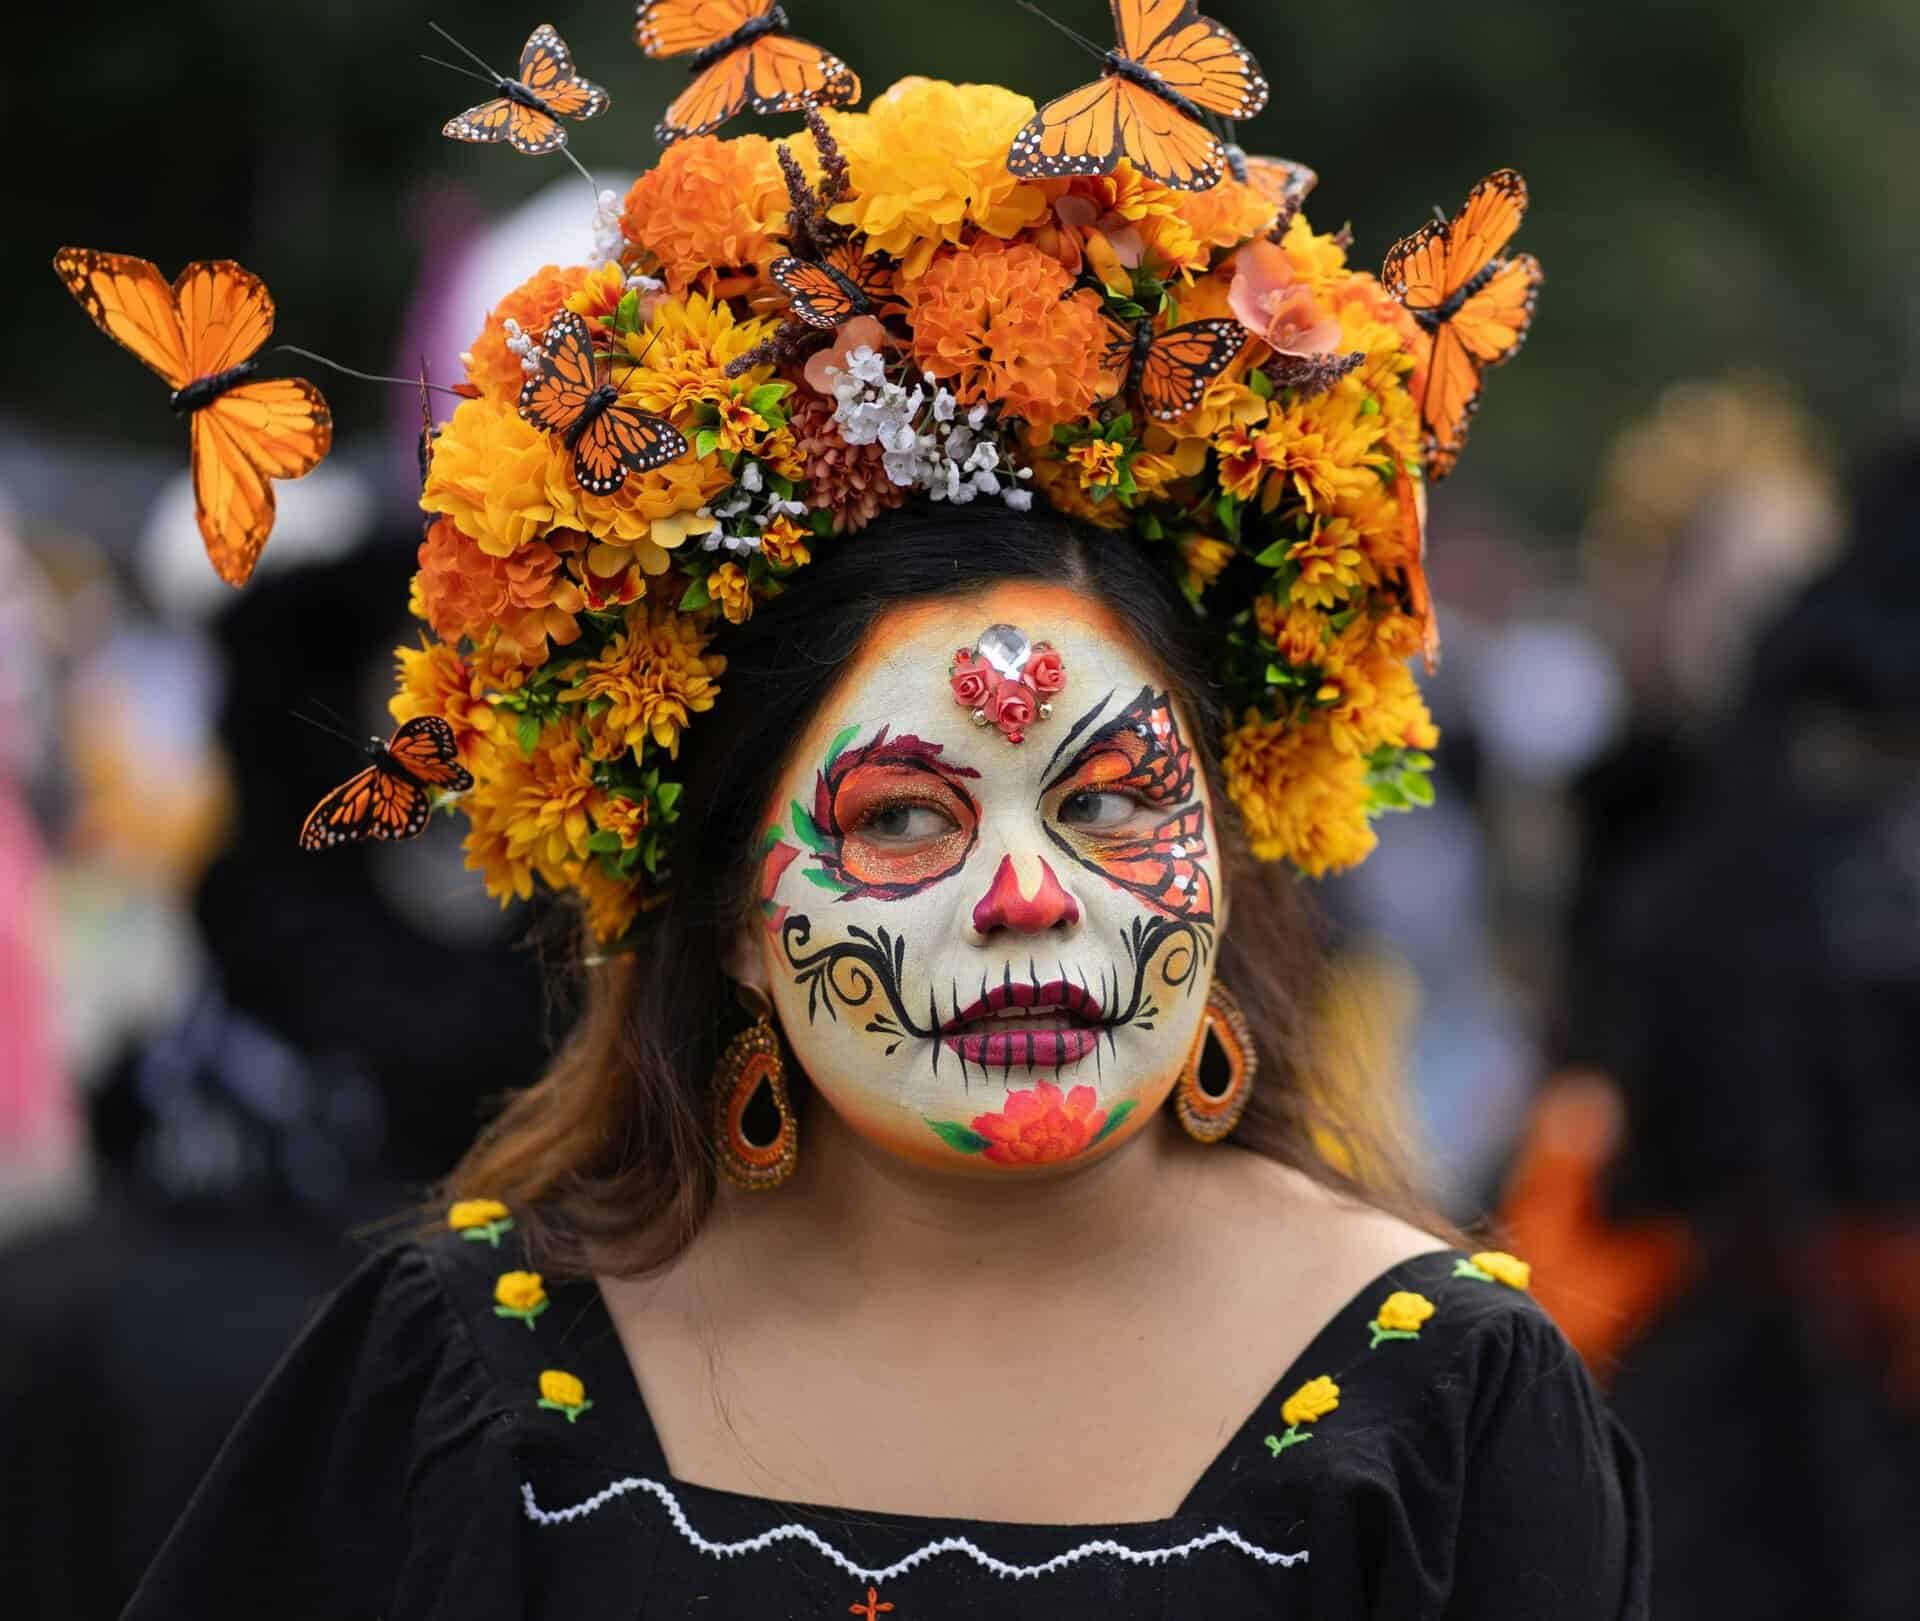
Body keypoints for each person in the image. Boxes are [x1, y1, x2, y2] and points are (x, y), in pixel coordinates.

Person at [116, 57, 1644, 1621]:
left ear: (1232, 844)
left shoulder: (1454, 1396)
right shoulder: (466, 1373)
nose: (1031, 898)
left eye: (1111, 800)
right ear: (723, 912)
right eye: (906, 817)